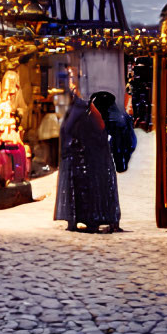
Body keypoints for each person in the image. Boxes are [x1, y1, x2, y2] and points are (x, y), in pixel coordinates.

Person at [54, 94, 122, 231]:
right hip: (84, 157)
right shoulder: (78, 109)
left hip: (88, 157)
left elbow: (99, 129)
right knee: (86, 186)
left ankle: (89, 218)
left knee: (88, 186)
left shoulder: (82, 108)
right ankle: (89, 218)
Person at [90, 90, 137, 173]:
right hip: (115, 127)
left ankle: (120, 165)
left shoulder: (114, 118)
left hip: (116, 128)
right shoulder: (116, 114)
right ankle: (120, 165)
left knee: (118, 146)